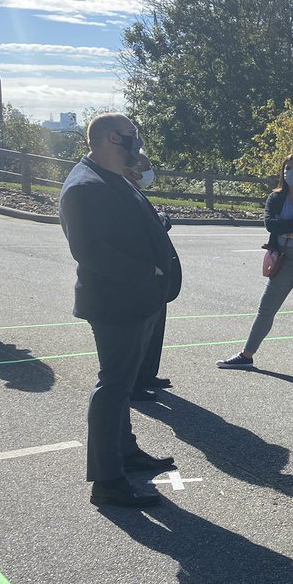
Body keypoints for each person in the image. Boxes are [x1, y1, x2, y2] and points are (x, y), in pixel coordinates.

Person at [60, 113, 180, 508]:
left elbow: (125, 226)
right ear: (113, 137)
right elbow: (91, 252)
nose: (137, 143)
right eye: (133, 136)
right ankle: (107, 480)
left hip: (137, 299)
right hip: (117, 302)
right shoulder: (85, 186)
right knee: (113, 387)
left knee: (123, 385)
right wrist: (149, 269)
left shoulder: (111, 176)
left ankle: (125, 453)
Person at [217, 154, 293, 375]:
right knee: (266, 308)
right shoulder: (276, 197)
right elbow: (271, 225)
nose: (290, 171)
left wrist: (288, 227)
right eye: (287, 168)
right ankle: (246, 356)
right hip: (284, 259)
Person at [124, 153, 175, 401]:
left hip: (157, 276)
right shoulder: (123, 191)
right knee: (140, 334)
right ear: (132, 170)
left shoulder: (134, 191)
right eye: (146, 167)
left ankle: (147, 375)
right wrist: (161, 220)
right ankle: (133, 384)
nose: (149, 171)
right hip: (144, 276)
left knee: (155, 329)